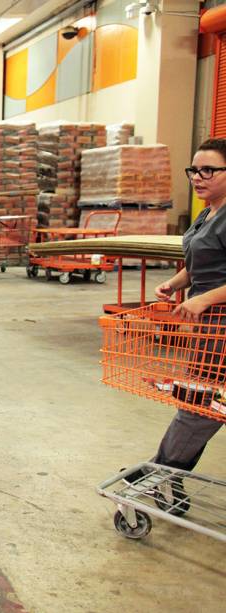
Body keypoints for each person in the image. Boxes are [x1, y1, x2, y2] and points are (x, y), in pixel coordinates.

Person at [148, 138, 226, 473]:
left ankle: (162, 472)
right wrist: (175, 283)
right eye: (194, 169)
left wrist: (204, 298)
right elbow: (198, 264)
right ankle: (168, 471)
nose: (198, 176)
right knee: (203, 401)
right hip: (210, 326)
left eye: (209, 170)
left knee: (200, 402)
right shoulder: (207, 212)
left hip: (221, 325)